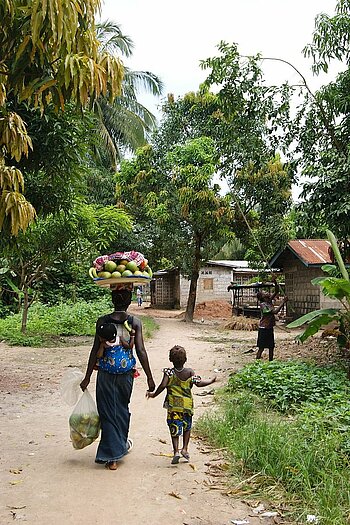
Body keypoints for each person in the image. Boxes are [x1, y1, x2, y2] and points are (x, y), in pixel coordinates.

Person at [80, 285, 155, 470]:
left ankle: (113, 452)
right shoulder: (135, 322)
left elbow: (94, 350)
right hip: (125, 377)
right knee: (121, 410)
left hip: (105, 376)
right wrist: (149, 377)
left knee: (107, 412)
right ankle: (115, 452)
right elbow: (141, 350)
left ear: (112, 300)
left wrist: (87, 376)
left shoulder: (102, 322)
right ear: (130, 301)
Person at [147, 345, 216, 465]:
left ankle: (176, 452)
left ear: (170, 359)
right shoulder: (189, 372)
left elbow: (163, 385)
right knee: (187, 427)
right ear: (185, 359)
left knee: (174, 428)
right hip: (187, 406)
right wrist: (210, 381)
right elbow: (198, 383)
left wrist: (153, 395)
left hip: (174, 406)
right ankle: (185, 449)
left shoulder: (169, 372)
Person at [256, 281, 288, 361]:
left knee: (271, 347)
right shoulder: (263, 305)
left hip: (269, 328)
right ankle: (257, 363)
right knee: (261, 348)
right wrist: (283, 302)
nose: (267, 292)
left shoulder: (269, 301)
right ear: (262, 297)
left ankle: (271, 362)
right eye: (264, 292)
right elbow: (275, 312)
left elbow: (277, 290)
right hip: (263, 328)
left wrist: (275, 281)